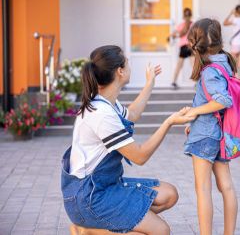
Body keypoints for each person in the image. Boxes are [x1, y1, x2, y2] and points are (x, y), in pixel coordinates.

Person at [61, 45, 195, 235]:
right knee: (161, 231)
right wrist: (169, 122)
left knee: (169, 194)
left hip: (104, 186)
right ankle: (87, 229)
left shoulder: (106, 102)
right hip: (89, 197)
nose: (130, 65)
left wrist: (149, 84)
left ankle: (105, 223)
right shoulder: (101, 114)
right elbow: (140, 156)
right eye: (127, 62)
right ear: (120, 71)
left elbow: (132, 114)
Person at [183, 18, 238, 235]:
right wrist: (194, 122)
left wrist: (194, 112)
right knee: (227, 187)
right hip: (220, 133)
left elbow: (223, 100)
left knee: (203, 189)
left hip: (205, 136)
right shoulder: (226, 61)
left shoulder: (208, 71)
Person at [169, 8, 194, 89]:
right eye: (187, 15)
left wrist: (173, 35)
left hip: (188, 46)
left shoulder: (187, 25)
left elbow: (176, 34)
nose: (186, 17)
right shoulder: (191, 24)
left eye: (187, 15)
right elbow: (174, 33)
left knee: (188, 65)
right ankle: (173, 81)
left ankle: (173, 82)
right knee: (191, 65)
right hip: (188, 46)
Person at [223, 4, 240, 81]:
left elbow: (224, 23)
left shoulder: (235, 19)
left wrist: (230, 13)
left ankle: (236, 81)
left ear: (236, 11)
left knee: (233, 63)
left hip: (236, 43)